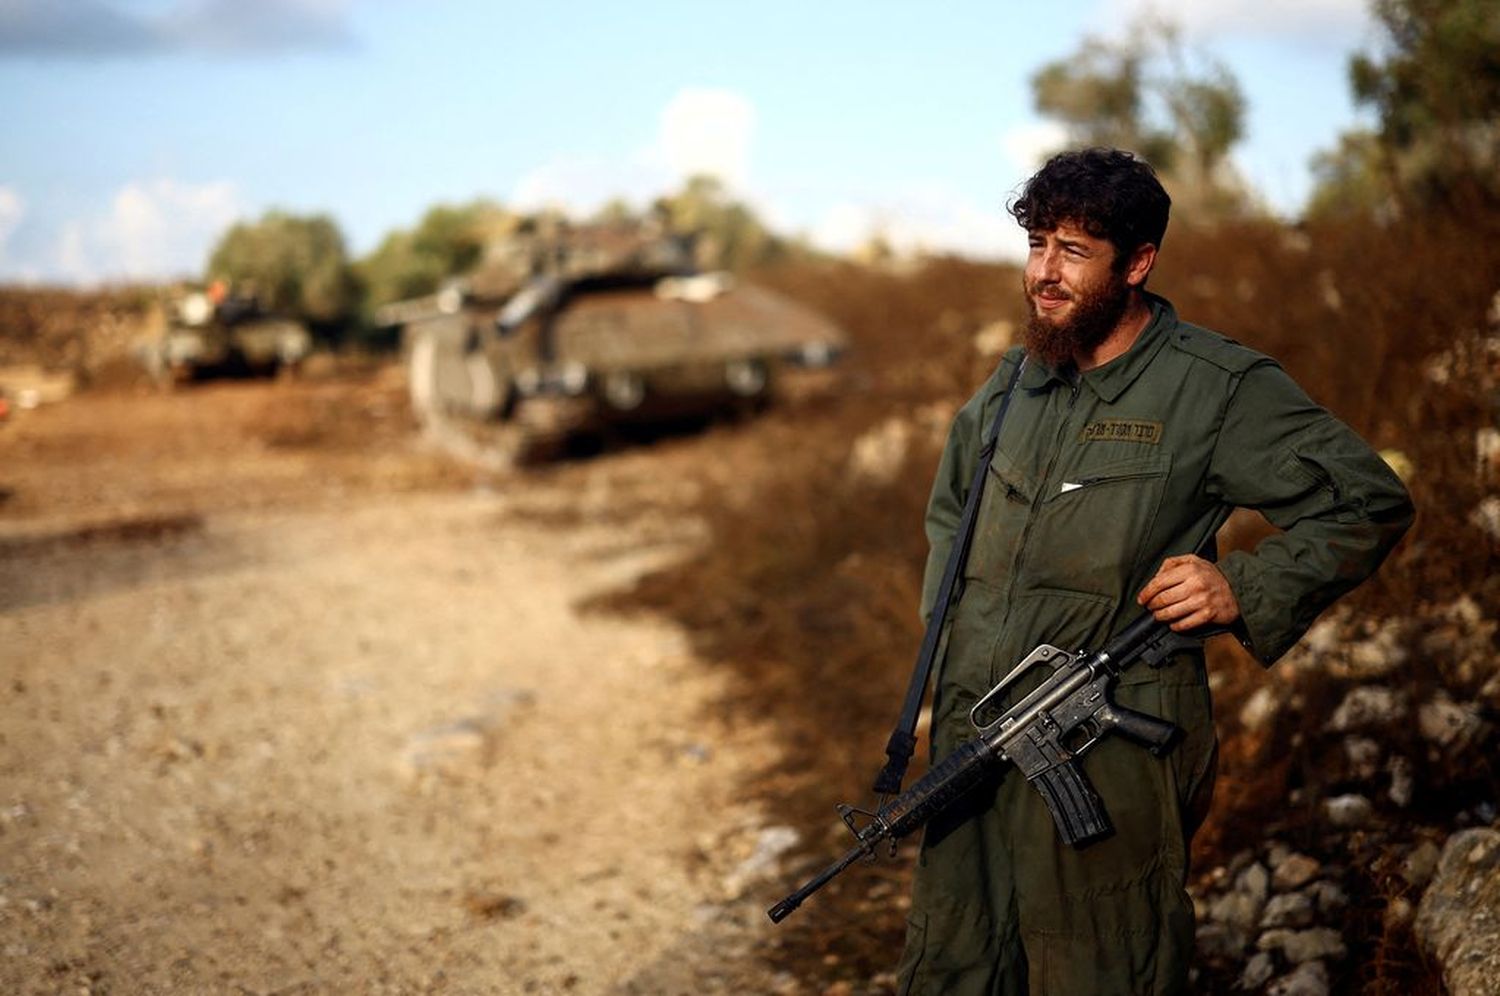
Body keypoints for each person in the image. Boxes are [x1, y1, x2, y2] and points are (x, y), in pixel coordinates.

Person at [895, 148, 1414, 995]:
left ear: (1138, 263)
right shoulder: (1013, 387)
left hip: (1108, 749)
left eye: (1073, 251)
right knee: (957, 962)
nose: (1043, 276)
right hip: (977, 738)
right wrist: (954, 658)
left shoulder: (1213, 388)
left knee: (1104, 964)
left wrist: (1239, 587)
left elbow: (1366, 500)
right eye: (1036, 245)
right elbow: (950, 523)